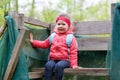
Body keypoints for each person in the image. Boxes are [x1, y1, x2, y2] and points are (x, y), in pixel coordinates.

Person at [29, 13, 80, 80]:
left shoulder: (70, 38)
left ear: (68, 26)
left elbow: (73, 52)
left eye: (63, 24)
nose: (60, 26)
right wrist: (34, 42)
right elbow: (44, 44)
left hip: (65, 60)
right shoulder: (53, 36)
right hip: (53, 59)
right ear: (56, 25)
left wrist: (74, 65)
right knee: (48, 65)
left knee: (59, 66)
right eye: (59, 24)